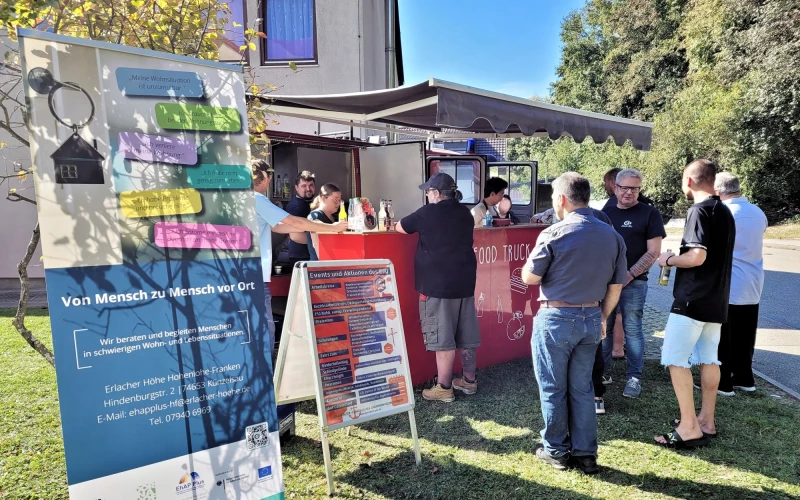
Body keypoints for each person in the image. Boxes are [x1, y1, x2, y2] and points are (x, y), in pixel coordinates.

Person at [521, 172, 627, 474]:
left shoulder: (554, 233)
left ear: (561, 199)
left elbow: (530, 277)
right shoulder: (612, 235)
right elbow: (616, 287)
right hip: (592, 316)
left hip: (556, 318)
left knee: (554, 387)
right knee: (582, 388)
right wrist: (603, 318)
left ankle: (555, 450)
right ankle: (585, 454)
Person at [655, 159, 735, 449]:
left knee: (675, 359)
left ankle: (689, 426)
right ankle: (706, 420)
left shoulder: (698, 211)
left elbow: (697, 257)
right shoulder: (724, 210)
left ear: (688, 181)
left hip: (692, 299)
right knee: (709, 357)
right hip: (716, 299)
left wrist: (669, 260)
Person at [396, 173, 480, 402]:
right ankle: (469, 381)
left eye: (428, 192)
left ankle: (444, 387)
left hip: (438, 285)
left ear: (435, 193)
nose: (426, 195)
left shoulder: (427, 213)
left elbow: (400, 227)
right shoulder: (465, 213)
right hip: (465, 282)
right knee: (467, 335)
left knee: (443, 337)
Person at [252, 162, 346, 353]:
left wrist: (313, 228)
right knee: (265, 325)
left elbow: (277, 227)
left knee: (259, 324)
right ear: (264, 178)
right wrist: (330, 228)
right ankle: (266, 373)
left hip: (250, 273)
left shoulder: (246, 200)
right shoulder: (257, 199)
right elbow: (292, 222)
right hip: (255, 274)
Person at [601, 169, 666, 399]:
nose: (629, 192)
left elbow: (653, 253)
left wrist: (627, 276)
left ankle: (634, 377)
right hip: (607, 284)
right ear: (615, 187)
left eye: (634, 188)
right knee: (605, 329)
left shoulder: (650, 213)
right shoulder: (606, 212)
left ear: (639, 189)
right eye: (624, 188)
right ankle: (604, 372)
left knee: (633, 330)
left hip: (634, 283)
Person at [714, 172, 767, 394]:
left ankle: (723, 382)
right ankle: (746, 378)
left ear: (718, 192)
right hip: (754, 280)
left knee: (724, 335)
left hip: (731, 281)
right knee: (746, 333)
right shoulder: (757, 212)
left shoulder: (724, 213)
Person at [285, 170, 317, 264]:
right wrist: (319, 242)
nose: (308, 189)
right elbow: (295, 236)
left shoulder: (306, 203)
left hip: (304, 256)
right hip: (301, 257)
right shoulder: (297, 206)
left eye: (311, 185)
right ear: (296, 188)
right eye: (304, 186)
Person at [306, 183, 342, 261]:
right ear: (323, 198)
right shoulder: (315, 216)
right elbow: (316, 244)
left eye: (339, 200)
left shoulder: (335, 217)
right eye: (335, 200)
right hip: (319, 264)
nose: (338, 203)